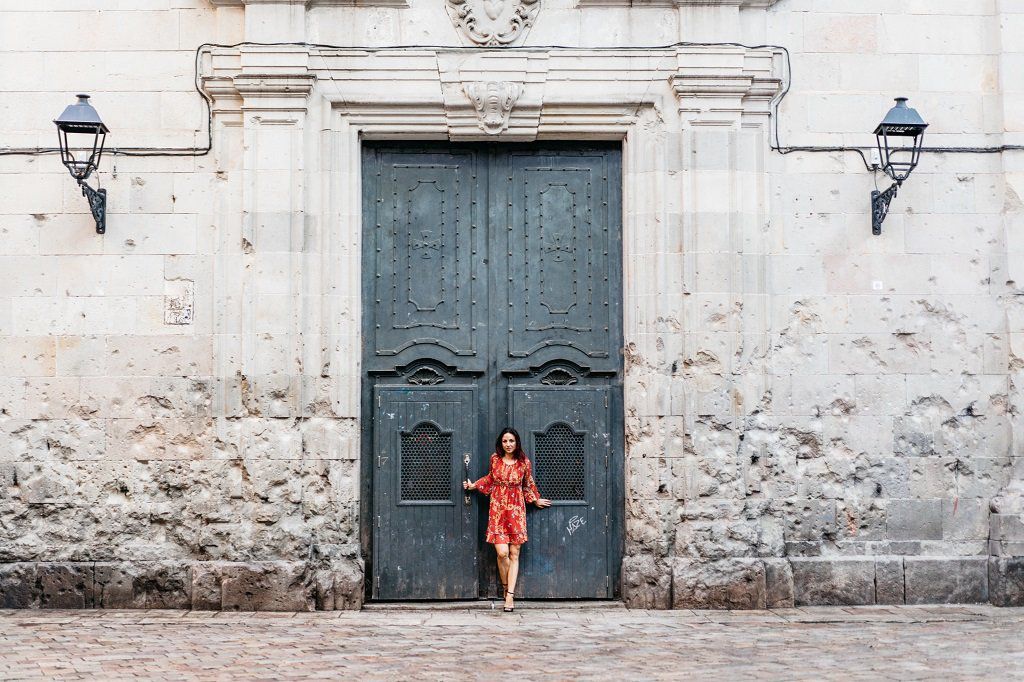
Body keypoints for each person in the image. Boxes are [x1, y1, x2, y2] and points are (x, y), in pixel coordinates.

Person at [464, 427, 552, 612]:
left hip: (516, 510)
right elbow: (490, 479)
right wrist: (474, 486)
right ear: (501, 443)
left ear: (516, 442)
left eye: (511, 441)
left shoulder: (523, 462)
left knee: (514, 554)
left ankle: (509, 596)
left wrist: (535, 499)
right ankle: (505, 588)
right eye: (505, 441)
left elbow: (528, 484)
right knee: (502, 553)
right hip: (498, 510)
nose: (508, 444)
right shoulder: (494, 459)